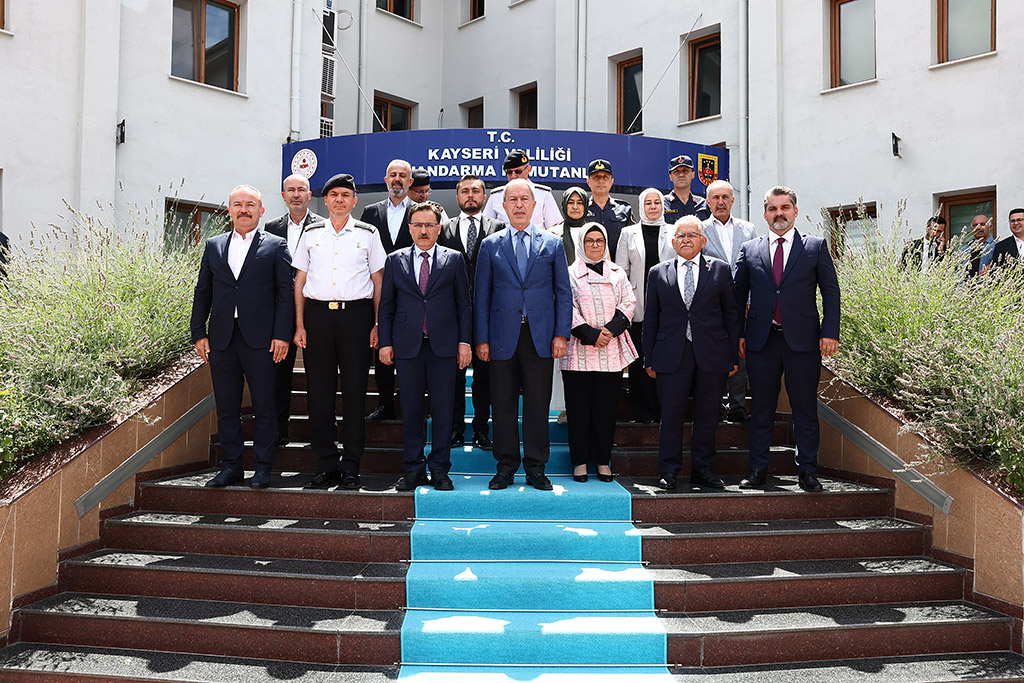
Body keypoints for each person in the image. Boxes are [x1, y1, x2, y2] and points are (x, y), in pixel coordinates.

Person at [734, 186, 840, 493]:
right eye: (772, 208)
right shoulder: (750, 249)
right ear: (765, 213)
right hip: (761, 341)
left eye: (784, 208)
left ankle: (807, 470)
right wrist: (739, 333)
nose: (779, 214)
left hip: (803, 342)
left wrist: (830, 332)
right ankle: (757, 470)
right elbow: (738, 296)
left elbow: (831, 293)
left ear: (794, 210)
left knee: (804, 407)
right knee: (762, 408)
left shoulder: (815, 246)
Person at [190, 185, 294, 489]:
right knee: (227, 407)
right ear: (229, 210)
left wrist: (281, 335)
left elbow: (284, 295)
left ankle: (263, 467)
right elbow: (203, 292)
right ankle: (232, 466)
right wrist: (199, 332)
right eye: (238, 204)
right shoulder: (213, 245)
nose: (244, 209)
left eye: (251, 204)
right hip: (222, 339)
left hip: (262, 340)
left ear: (261, 211)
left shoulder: (275, 246)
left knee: (264, 406)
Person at [474, 178, 572, 491]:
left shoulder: (552, 244)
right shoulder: (490, 245)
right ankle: (505, 467)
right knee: (501, 405)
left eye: (523, 199)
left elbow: (563, 292)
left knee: (537, 404)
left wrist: (561, 334)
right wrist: (482, 339)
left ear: (534, 205)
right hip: (502, 336)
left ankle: (535, 468)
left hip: (541, 336)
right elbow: (482, 296)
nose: (518, 204)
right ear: (503, 207)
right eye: (512, 199)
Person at [293, 173, 386, 490]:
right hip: (318, 319)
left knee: (355, 396)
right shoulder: (310, 233)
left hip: (356, 319)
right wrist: (300, 324)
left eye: (346, 195)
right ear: (326, 199)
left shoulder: (368, 233)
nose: (339, 200)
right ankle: (326, 464)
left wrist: (377, 324)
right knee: (318, 397)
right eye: (334, 195)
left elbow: (378, 284)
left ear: (354, 201)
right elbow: (300, 283)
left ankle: (351, 467)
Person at [378, 203, 472, 491]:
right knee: (412, 410)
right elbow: (387, 306)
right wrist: (385, 342)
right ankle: (414, 468)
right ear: (410, 228)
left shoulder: (454, 259)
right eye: (417, 224)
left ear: (438, 228)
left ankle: (441, 469)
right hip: (408, 347)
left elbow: (463, 305)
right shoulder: (395, 260)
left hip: (443, 347)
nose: (423, 230)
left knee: (443, 410)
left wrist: (465, 342)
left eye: (429, 225)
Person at [644, 216, 740, 491]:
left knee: (708, 414)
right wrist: (649, 358)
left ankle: (703, 469)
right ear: (673, 242)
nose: (686, 239)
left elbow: (731, 316)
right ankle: (669, 470)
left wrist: (732, 357)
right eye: (681, 235)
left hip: (712, 353)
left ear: (703, 240)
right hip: (671, 353)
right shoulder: (658, 272)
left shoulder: (720, 270)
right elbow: (651, 318)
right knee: (671, 414)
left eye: (692, 235)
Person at [561, 223, 637, 483]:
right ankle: (580, 462)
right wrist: (592, 335)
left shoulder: (617, 272)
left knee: (605, 411)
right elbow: (565, 305)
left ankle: (603, 461)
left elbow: (629, 302)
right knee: (579, 410)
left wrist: (611, 330)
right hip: (579, 351)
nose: (595, 245)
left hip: (611, 351)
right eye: (589, 241)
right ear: (581, 244)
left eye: (599, 241)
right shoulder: (569, 273)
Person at [439, 174, 506, 449]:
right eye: (464, 191)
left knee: (485, 377)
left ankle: (481, 429)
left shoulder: (499, 228)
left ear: (484, 197)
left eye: (475, 191)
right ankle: (455, 429)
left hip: (488, 314)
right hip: (452, 315)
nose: (470, 195)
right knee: (452, 375)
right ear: (457, 197)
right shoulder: (444, 229)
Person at [263, 174, 326, 445]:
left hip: (314, 309)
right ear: (283, 195)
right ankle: (279, 430)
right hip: (280, 311)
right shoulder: (269, 227)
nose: (297, 194)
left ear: (310, 195)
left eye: (302, 189)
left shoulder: (323, 227)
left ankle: (317, 432)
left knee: (318, 373)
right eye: (291, 190)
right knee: (278, 373)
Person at [360, 159, 414, 420]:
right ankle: (384, 404)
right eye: (392, 174)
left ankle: (408, 404)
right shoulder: (370, 213)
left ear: (410, 182)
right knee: (380, 345)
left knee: (407, 349)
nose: (397, 179)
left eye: (402, 175)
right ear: (385, 179)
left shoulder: (420, 211)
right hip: (377, 290)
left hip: (412, 292)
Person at [614, 188, 675, 424]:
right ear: (641, 206)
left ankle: (664, 410)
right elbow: (621, 272)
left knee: (666, 358)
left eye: (656, 202)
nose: (652, 207)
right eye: (647, 203)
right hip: (638, 306)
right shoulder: (628, 233)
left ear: (662, 206)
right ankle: (643, 411)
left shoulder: (673, 231)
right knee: (640, 360)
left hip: (669, 305)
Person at [701, 180, 758, 423]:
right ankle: (713, 406)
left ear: (733, 200)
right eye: (716, 198)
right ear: (708, 202)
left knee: (740, 352)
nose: (721, 202)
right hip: (710, 303)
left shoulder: (748, 229)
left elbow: (756, 267)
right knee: (711, 353)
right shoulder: (699, 229)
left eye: (725, 197)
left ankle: (737, 405)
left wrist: (750, 299)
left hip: (740, 301)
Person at [482, 150, 563, 231]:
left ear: (528, 169)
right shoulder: (496, 196)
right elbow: (486, 226)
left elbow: (554, 227)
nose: (513, 176)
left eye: (518, 171)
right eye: (509, 172)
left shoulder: (543, 194)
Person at [585, 159, 634, 260]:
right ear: (588, 181)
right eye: (596, 177)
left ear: (611, 182)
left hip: (619, 267)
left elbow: (634, 241)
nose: (601, 181)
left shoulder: (624, 209)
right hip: (588, 267)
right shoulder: (582, 209)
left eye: (605, 177)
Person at [663, 155, 710, 222]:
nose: (681, 175)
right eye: (676, 172)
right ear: (670, 177)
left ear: (693, 174)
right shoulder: (662, 203)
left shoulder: (703, 204)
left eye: (685, 171)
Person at [559, 186, 589, 265]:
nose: (575, 207)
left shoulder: (594, 232)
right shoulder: (553, 233)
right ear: (564, 205)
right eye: (570, 202)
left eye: (579, 203)